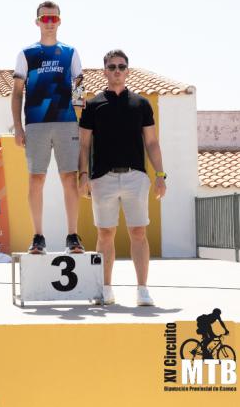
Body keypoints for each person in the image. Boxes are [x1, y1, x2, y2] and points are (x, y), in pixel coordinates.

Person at [78, 49, 166, 306]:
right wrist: (83, 175)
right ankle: (105, 289)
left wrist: (160, 175)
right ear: (105, 71)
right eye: (112, 67)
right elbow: (83, 145)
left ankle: (142, 290)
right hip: (102, 178)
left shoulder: (141, 104)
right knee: (105, 234)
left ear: (127, 71)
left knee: (138, 232)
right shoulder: (93, 105)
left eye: (121, 67)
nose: (117, 71)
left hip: (135, 177)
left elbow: (152, 142)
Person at [11, 0, 85, 255]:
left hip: (66, 122)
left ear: (60, 21)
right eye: (45, 18)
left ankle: (73, 235)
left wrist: (81, 123)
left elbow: (79, 91)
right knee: (36, 178)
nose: (49, 23)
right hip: (36, 124)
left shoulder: (70, 52)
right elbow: (17, 92)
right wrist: (18, 128)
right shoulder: (26, 54)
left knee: (69, 178)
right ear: (37, 21)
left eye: (53, 18)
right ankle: (38, 236)